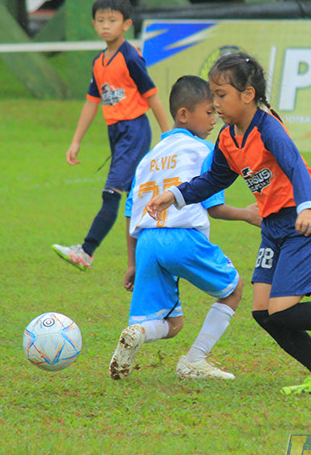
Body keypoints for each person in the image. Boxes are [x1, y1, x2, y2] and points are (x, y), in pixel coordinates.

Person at [145, 53, 311, 396]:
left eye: (221, 94)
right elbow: (214, 179)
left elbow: (295, 166)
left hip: (302, 225)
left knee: (282, 311)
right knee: (264, 313)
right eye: (212, 95)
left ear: (247, 94)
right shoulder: (228, 137)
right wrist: (175, 195)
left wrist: (308, 207)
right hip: (273, 228)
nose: (215, 103)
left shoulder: (268, 128)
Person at [108, 76, 260, 382]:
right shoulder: (203, 150)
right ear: (183, 114)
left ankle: (136, 333)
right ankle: (195, 360)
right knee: (233, 290)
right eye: (209, 112)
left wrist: (131, 262)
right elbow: (213, 208)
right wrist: (247, 215)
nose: (215, 119)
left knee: (171, 323)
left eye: (217, 112)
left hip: (147, 242)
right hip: (182, 237)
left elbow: (130, 213)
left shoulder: (147, 159)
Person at [52, 0, 171, 271]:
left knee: (111, 193)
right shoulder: (98, 62)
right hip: (116, 133)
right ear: (94, 24)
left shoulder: (131, 57)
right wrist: (76, 141)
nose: (106, 25)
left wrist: (168, 135)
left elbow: (152, 96)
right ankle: (156, 249)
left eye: (113, 20)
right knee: (136, 197)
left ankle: (87, 251)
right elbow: (92, 102)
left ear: (126, 24)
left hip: (134, 131)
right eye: (101, 20)